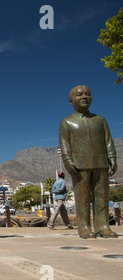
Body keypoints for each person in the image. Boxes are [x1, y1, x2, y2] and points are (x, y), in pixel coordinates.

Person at [59, 85, 118, 239]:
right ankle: (84, 227)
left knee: (102, 197)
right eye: (79, 95)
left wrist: (112, 157)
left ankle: (103, 226)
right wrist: (67, 161)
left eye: (88, 94)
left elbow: (108, 141)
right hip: (80, 165)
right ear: (71, 101)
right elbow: (65, 145)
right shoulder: (67, 122)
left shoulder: (100, 120)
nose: (84, 97)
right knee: (82, 198)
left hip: (101, 162)